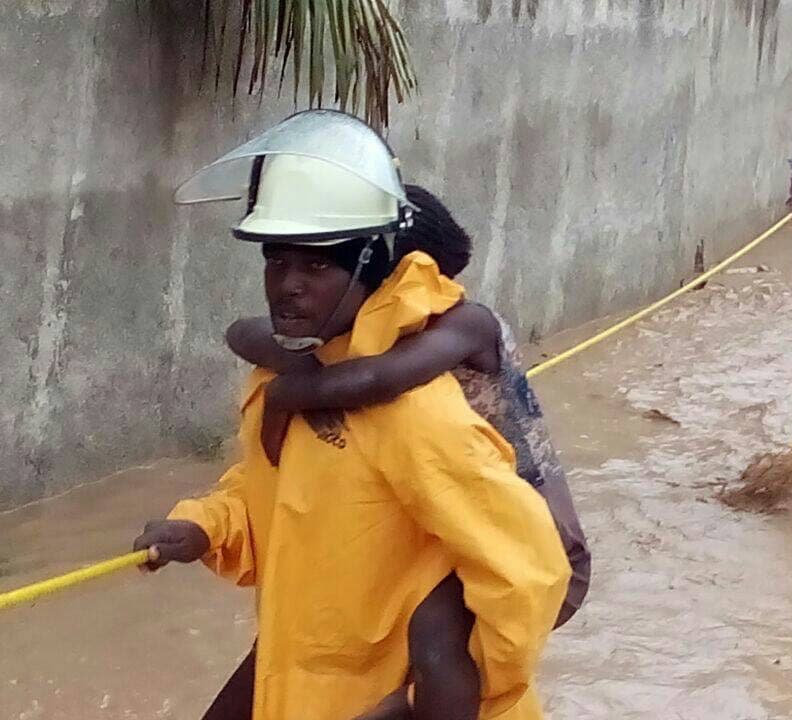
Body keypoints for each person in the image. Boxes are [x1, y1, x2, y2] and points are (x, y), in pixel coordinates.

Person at [134, 110, 569, 720]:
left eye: (316, 266)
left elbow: (530, 570)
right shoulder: (282, 377)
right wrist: (204, 525)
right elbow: (279, 499)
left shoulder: (411, 410)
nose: (288, 284)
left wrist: (436, 699)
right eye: (277, 261)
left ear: (368, 269)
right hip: (298, 665)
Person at [208, 184, 592, 720]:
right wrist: (293, 364)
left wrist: (287, 393)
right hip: (449, 520)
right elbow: (246, 333)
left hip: (535, 536)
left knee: (436, 636)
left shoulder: (464, 324)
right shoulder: (361, 337)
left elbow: (379, 378)